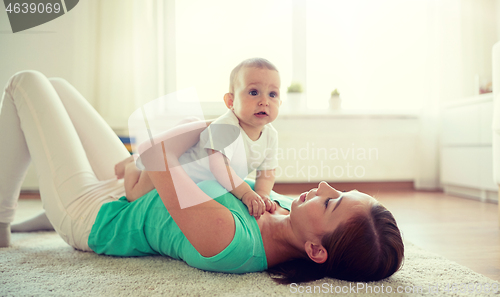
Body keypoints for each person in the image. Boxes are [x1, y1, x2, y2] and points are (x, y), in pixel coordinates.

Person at [0, 70, 404, 284]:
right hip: (131, 188)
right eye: (338, 189)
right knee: (56, 87)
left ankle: (1, 220)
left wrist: (222, 125)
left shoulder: (232, 240)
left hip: (97, 215)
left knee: (26, 83)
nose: (323, 187)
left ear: (317, 251)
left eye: (331, 201)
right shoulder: (279, 208)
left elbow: (155, 152)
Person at [117, 58, 281, 219]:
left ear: (280, 102)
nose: (264, 101)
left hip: (203, 185)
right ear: (231, 101)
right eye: (253, 92)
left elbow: (267, 171)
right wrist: (246, 194)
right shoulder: (226, 126)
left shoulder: (270, 136)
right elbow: (219, 167)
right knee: (134, 195)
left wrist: (262, 194)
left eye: (272, 94)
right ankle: (132, 163)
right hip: (173, 168)